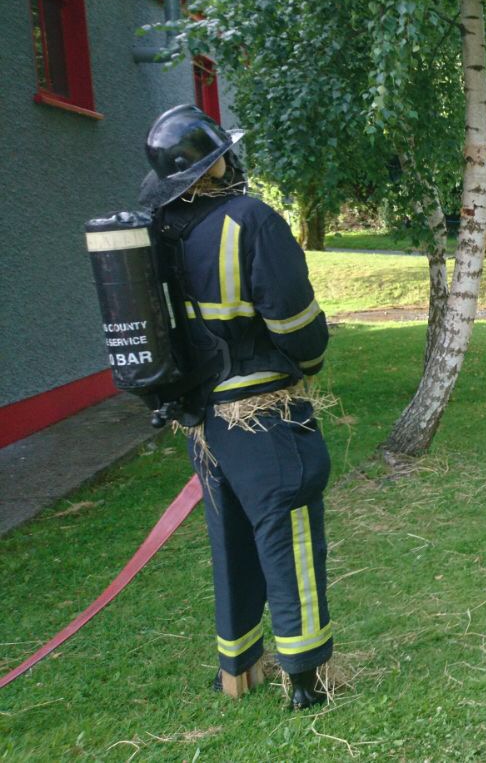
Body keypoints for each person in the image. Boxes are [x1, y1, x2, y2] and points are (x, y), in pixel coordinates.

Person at [139, 105, 334, 709]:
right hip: (263, 412)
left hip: (206, 421)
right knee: (288, 531)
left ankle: (238, 668)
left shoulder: (163, 229)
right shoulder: (249, 219)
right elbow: (296, 324)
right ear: (211, 167)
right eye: (223, 155)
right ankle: (305, 678)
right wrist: (310, 363)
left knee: (231, 541)